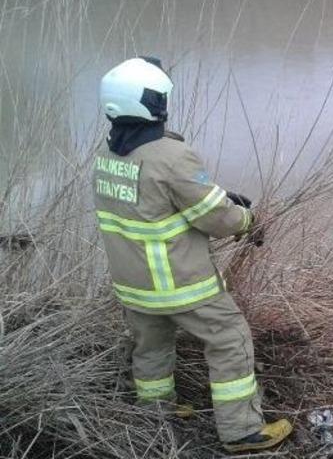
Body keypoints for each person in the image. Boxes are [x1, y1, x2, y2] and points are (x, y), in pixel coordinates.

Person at [92, 57, 291, 453]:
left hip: (134, 286)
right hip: (180, 285)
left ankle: (155, 413)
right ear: (151, 103)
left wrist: (214, 197)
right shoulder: (171, 155)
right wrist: (247, 219)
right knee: (230, 339)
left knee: (151, 345)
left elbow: (156, 203)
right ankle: (242, 431)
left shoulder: (108, 155)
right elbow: (217, 218)